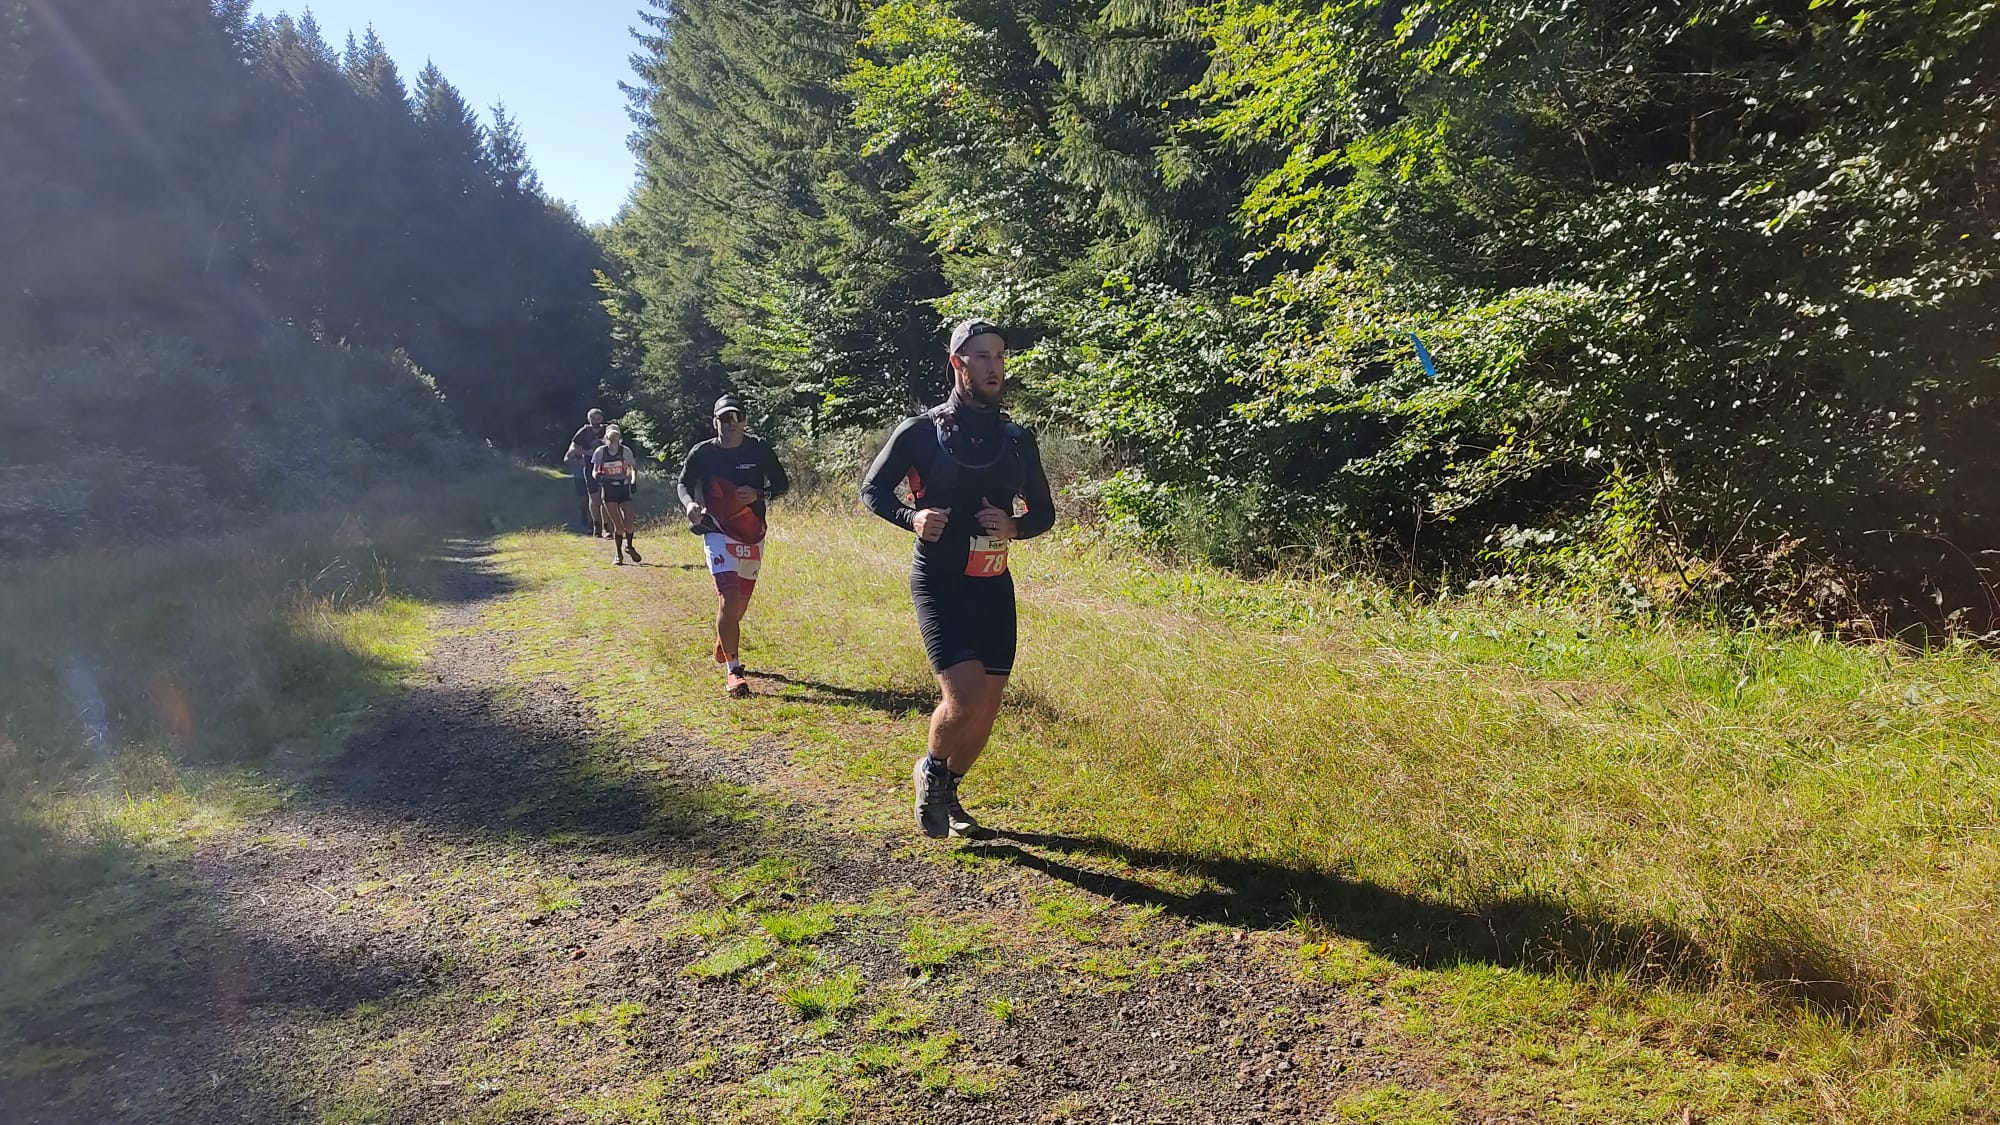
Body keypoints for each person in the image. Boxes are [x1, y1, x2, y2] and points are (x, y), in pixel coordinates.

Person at [860, 319, 1054, 838]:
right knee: (964, 697)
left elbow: (1045, 513)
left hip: (993, 583)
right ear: (957, 363)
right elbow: (873, 491)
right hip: (940, 579)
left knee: (988, 706)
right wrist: (913, 518)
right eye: (982, 356)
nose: (994, 366)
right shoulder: (920, 432)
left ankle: (947, 785)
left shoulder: (1016, 438)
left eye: (999, 356)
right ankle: (931, 769)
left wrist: (1014, 525)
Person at [678, 394, 790, 698]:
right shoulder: (703, 452)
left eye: (735, 417)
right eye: (724, 418)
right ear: (715, 422)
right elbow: (683, 483)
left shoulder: (758, 448)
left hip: (753, 532)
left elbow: (781, 484)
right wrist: (689, 504)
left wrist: (758, 494)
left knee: (739, 605)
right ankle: (734, 670)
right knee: (728, 598)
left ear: (744, 420)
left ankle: (723, 641)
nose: (730, 424)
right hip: (716, 529)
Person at [592, 426, 643, 565]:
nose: (613, 441)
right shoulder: (600, 452)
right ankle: (618, 554)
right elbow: (595, 470)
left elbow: (633, 469)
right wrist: (597, 476)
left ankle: (629, 546)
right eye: (611, 438)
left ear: (620, 438)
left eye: (616, 438)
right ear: (606, 439)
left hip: (623, 487)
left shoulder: (625, 451)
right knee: (618, 526)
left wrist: (633, 482)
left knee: (630, 522)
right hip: (609, 490)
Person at [564, 408, 609, 536]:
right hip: (590, 467)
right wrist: (586, 452)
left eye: (598, 418)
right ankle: (596, 525)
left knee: (606, 497)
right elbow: (573, 449)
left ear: (602, 418)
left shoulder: (607, 429)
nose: (596, 421)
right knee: (594, 497)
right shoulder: (584, 432)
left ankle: (607, 526)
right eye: (593, 419)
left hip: (606, 467)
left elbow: (617, 441)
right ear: (589, 419)